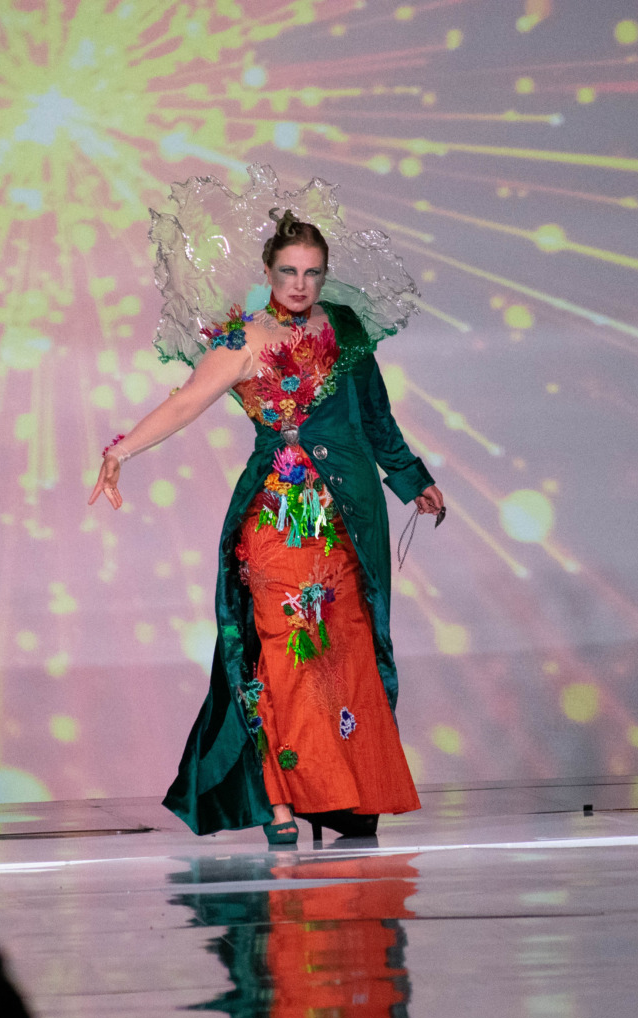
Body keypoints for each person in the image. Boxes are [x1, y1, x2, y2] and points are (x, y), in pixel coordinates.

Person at [89, 169, 445, 846]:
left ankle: (344, 795)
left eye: (312, 272)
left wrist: (409, 476)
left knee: (347, 651)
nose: (301, 284)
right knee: (285, 649)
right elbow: (185, 403)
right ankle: (280, 799)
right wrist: (122, 451)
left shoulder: (346, 327)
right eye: (288, 271)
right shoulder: (242, 340)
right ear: (267, 271)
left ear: (325, 274)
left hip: (347, 517)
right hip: (279, 517)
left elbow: (375, 414)